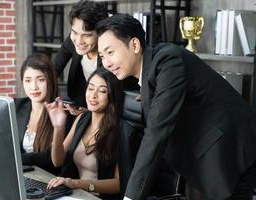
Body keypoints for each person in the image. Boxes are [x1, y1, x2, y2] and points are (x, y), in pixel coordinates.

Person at [96, 13, 256, 200]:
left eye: (110, 52)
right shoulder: (149, 70)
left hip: (232, 154)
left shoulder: (168, 60)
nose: (106, 63)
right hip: (204, 161)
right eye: (102, 56)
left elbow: (156, 132)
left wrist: (130, 197)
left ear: (134, 45)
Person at [45, 68, 125, 200]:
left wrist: (77, 184)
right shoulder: (82, 118)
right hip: (76, 195)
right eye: (91, 88)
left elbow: (119, 183)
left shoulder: (120, 130)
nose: (93, 95)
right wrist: (58, 127)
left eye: (102, 91)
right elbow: (57, 161)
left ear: (112, 95)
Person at [54, 0, 138, 111]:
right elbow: (53, 69)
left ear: (100, 33)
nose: (79, 41)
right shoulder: (73, 39)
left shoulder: (110, 54)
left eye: (87, 35)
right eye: (74, 32)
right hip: (79, 104)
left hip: (112, 109)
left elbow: (109, 96)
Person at [15, 53, 60, 175]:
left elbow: (49, 157)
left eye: (40, 80)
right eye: (28, 80)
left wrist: (16, 160)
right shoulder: (16, 106)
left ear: (50, 81)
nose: (33, 87)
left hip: (49, 179)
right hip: (20, 175)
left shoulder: (61, 112)